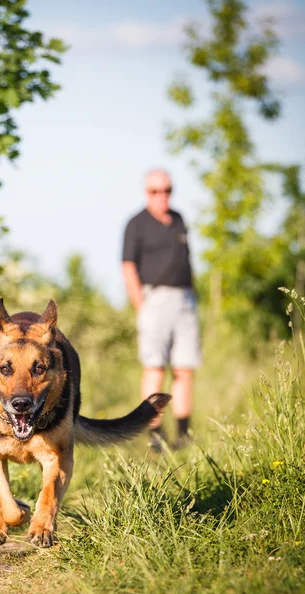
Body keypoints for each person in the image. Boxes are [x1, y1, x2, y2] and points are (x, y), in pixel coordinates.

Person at [121, 169, 201, 451]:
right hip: (154, 299)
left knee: (184, 368)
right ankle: (155, 435)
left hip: (185, 300)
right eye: (155, 191)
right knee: (154, 367)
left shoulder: (178, 219)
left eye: (167, 190)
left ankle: (184, 433)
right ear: (146, 192)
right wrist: (141, 306)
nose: (162, 196)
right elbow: (128, 266)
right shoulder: (136, 223)